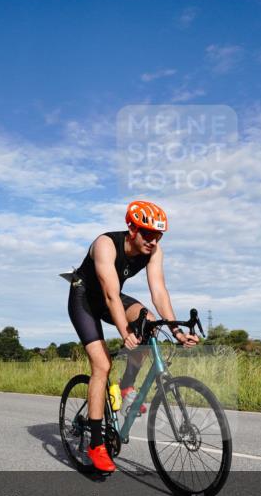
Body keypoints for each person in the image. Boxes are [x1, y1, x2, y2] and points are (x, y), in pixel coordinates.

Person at [66, 200, 199, 473]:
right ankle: (96, 444)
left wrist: (176, 330)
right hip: (85, 300)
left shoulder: (154, 251)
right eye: (148, 234)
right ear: (132, 229)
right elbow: (110, 294)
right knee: (102, 365)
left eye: (158, 236)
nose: (153, 241)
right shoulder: (105, 244)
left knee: (149, 324)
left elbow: (159, 291)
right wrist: (124, 333)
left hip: (110, 299)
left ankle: (127, 385)